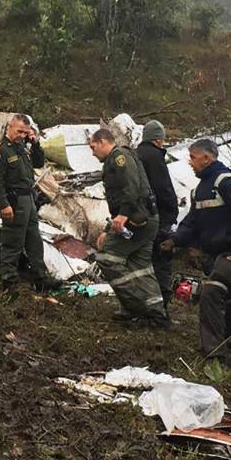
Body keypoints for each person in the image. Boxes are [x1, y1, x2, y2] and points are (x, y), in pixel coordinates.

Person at [166, 139, 231, 366]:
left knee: (212, 291)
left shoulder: (226, 181)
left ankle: (213, 353)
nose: (189, 162)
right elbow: (191, 222)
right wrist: (174, 241)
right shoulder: (200, 190)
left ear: (206, 158)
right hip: (217, 254)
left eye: (192, 157)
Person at [89, 127, 166, 327]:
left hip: (137, 219)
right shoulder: (117, 158)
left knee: (107, 257)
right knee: (141, 266)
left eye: (93, 147)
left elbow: (131, 188)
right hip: (146, 218)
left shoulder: (119, 157)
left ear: (103, 142)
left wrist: (123, 216)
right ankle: (157, 314)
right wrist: (109, 228)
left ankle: (135, 308)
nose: (92, 152)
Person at [0, 115, 54, 291]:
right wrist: (4, 204)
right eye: (19, 131)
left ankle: (40, 277)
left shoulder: (21, 147)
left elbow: (39, 163)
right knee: (13, 240)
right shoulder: (0, 151)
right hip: (14, 199)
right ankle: (9, 278)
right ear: (10, 127)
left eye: (25, 133)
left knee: (34, 238)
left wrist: (35, 143)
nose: (22, 135)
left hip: (29, 198)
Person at [136, 120, 179, 308]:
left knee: (142, 262)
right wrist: (172, 213)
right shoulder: (155, 157)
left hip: (139, 217)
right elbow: (164, 189)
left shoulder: (136, 154)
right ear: (158, 140)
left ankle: (143, 304)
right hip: (158, 217)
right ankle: (161, 307)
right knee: (161, 260)